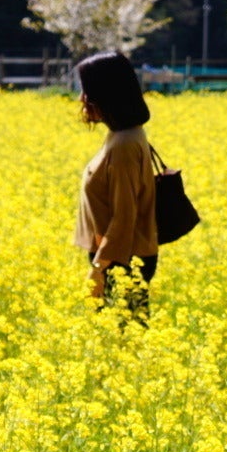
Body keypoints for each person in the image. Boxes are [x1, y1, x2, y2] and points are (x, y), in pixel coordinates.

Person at [74, 51, 159, 323]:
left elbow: (124, 216)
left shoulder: (123, 145)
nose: (81, 100)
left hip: (121, 261)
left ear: (105, 94)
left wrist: (99, 268)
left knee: (124, 338)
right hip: (118, 257)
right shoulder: (122, 135)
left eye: (86, 91)